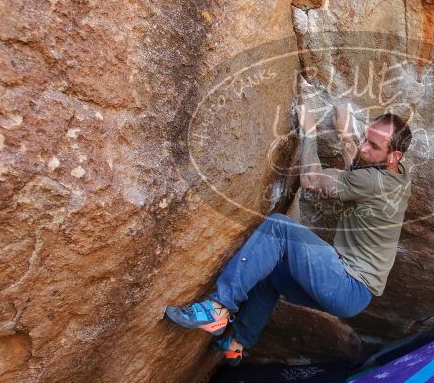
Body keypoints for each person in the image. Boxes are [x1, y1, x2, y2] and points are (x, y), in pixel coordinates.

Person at [164, 105, 413, 364]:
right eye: (366, 140)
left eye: (373, 146)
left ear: (394, 155)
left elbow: (312, 180)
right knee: (269, 273)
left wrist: (309, 132)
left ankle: (218, 309)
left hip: (347, 284)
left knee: (279, 228)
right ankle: (236, 344)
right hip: (353, 295)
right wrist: (346, 136)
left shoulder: (374, 181)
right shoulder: (398, 176)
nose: (364, 148)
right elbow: (358, 174)